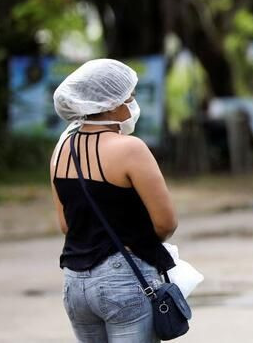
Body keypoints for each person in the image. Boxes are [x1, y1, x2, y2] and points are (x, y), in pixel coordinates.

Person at [50, 59, 177, 343]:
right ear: (109, 104)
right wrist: (132, 245)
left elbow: (65, 224)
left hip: (74, 282)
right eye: (128, 97)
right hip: (122, 279)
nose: (132, 103)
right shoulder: (130, 148)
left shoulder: (61, 150)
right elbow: (166, 222)